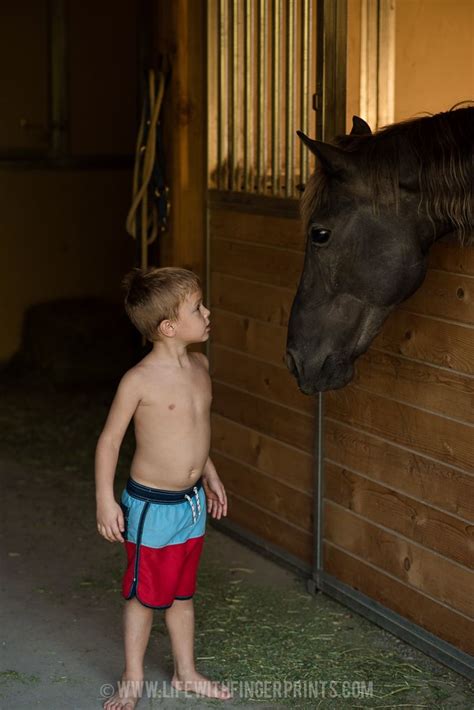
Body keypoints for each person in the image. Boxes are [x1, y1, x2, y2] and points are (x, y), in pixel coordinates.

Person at [95, 266, 231, 708]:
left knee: (182, 593)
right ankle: (132, 678)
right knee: (143, 597)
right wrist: (105, 500)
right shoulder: (139, 381)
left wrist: (207, 472)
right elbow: (110, 440)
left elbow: (194, 432)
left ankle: (185, 672)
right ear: (169, 326)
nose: (208, 312)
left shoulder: (200, 365)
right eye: (198, 307)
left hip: (189, 506)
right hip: (152, 507)